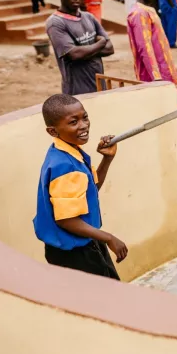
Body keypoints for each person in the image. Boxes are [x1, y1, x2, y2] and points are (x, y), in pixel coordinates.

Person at [35, 94, 126, 279]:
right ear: (53, 131)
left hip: (84, 242)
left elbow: (89, 189)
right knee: (104, 301)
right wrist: (108, 237)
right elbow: (66, 220)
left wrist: (107, 159)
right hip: (75, 253)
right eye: (73, 122)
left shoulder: (68, 151)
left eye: (84, 117)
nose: (83, 125)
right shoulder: (65, 166)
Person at [46, 0, 113, 96]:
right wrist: (101, 43)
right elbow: (74, 54)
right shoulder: (55, 23)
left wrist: (86, 51)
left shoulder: (88, 17)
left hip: (99, 85)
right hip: (77, 90)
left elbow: (110, 49)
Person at [127, 0, 177, 85]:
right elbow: (145, 48)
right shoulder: (139, 13)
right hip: (154, 78)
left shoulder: (148, 10)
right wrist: (156, 77)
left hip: (164, 70)